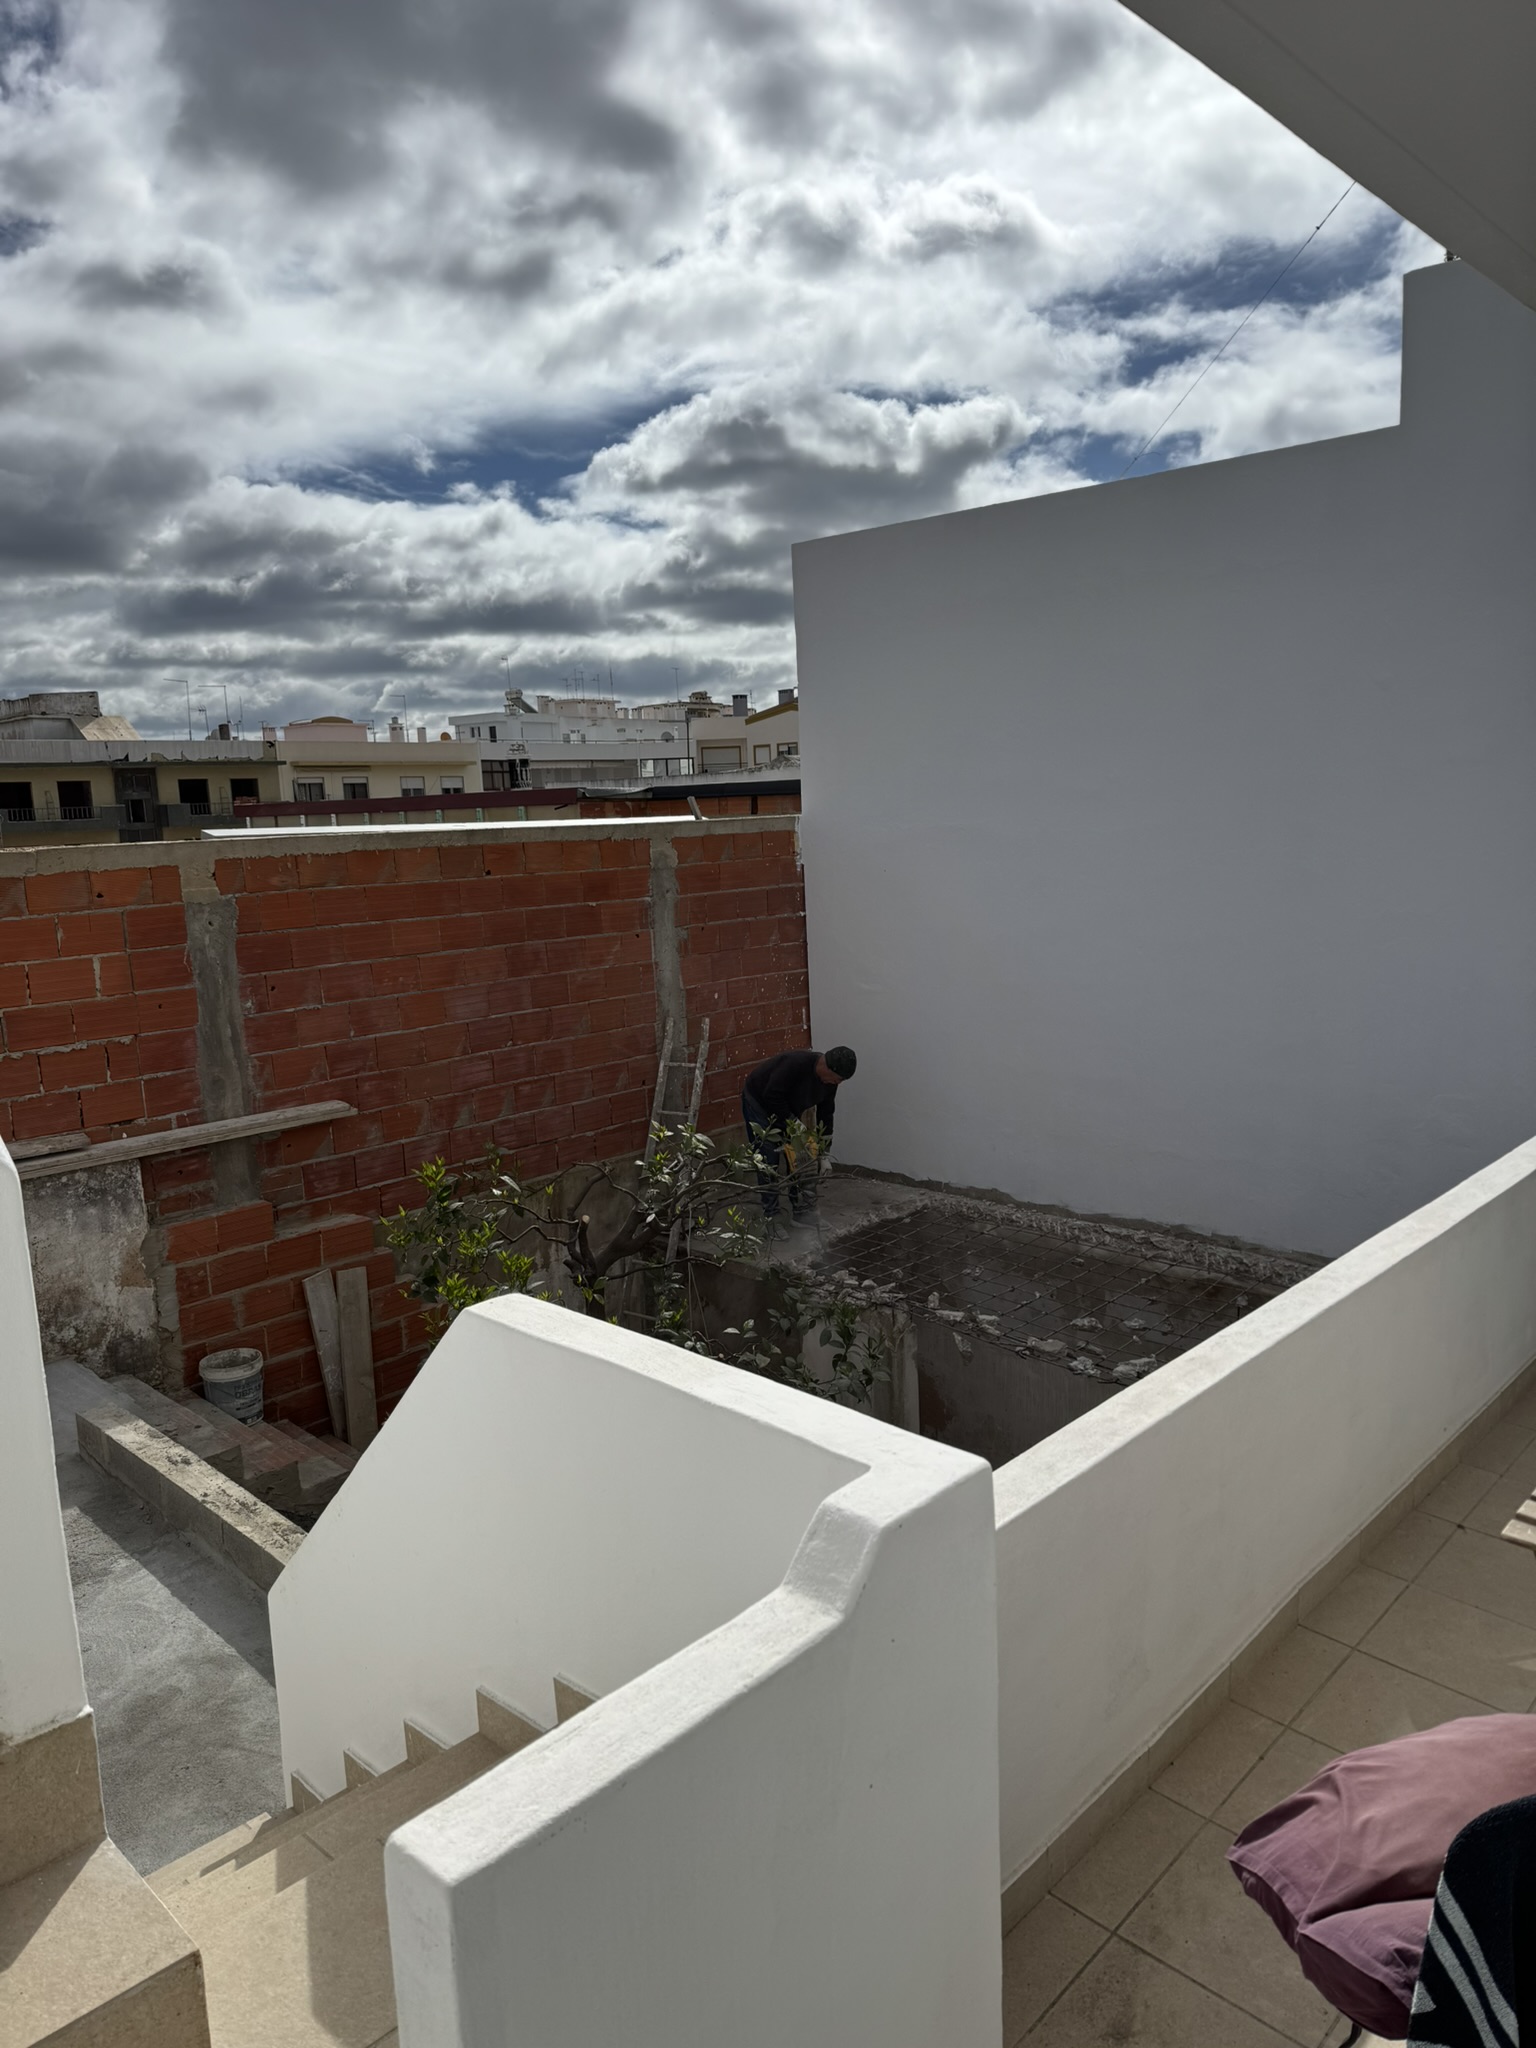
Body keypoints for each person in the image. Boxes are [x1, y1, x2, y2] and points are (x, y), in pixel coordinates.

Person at [741, 1045, 857, 1223]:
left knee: (804, 1156)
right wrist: (793, 1122)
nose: (838, 1083)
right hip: (760, 1103)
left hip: (788, 1110)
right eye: (838, 1079)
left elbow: (826, 1114)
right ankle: (771, 1217)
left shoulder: (829, 1083)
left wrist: (824, 1153)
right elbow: (771, 1095)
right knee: (768, 1159)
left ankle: (803, 1213)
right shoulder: (794, 1064)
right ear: (826, 1066)